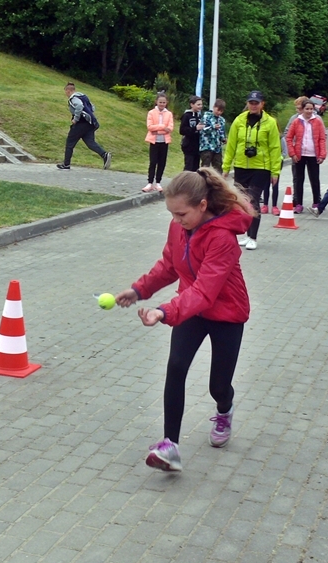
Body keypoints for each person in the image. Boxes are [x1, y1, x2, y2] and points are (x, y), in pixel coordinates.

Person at [115, 168, 254, 471]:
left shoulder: (223, 238)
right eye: (172, 214)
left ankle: (225, 409)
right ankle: (170, 446)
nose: (176, 220)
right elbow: (169, 265)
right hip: (191, 310)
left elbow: (205, 291)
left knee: (218, 386)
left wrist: (164, 311)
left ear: (202, 205)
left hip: (227, 314)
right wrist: (139, 290)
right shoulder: (178, 227)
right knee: (176, 367)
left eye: (181, 214)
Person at [222, 90, 282, 250]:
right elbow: (231, 145)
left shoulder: (270, 122)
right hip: (241, 166)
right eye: (251, 103)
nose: (253, 106)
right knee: (242, 201)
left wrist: (275, 171)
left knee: (253, 200)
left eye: (256, 103)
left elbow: (275, 148)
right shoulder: (239, 120)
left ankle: (253, 237)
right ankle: (247, 234)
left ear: (262, 104)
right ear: (247, 103)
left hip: (261, 167)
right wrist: (226, 167)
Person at [285, 99, 327, 214]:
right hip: (300, 155)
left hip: (313, 154)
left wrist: (322, 155)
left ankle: (316, 203)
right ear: (302, 109)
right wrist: (292, 153)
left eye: (311, 109)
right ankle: (298, 204)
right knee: (299, 180)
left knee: (314, 179)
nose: (309, 111)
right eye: (307, 109)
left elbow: (322, 138)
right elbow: (289, 137)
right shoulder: (296, 121)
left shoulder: (317, 121)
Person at [58, 82, 111, 171]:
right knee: (90, 142)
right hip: (90, 123)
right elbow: (92, 107)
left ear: (68, 90)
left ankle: (66, 164)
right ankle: (105, 155)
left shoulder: (73, 98)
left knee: (70, 142)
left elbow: (79, 106)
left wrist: (75, 119)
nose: (65, 94)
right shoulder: (83, 96)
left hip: (81, 123)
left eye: (65, 91)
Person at [143, 93, 174, 192]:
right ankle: (150, 182)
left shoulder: (169, 114)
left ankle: (158, 182)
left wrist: (158, 130)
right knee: (153, 162)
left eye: (164, 102)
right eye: (160, 102)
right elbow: (150, 127)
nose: (162, 104)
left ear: (166, 103)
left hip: (164, 141)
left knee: (162, 162)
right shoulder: (151, 113)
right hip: (154, 141)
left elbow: (170, 128)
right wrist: (163, 127)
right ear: (156, 102)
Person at [199, 99, 227, 172]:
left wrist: (223, 139)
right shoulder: (206, 116)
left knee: (218, 166)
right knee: (205, 166)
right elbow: (202, 129)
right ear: (214, 107)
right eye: (218, 110)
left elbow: (222, 132)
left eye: (221, 111)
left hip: (217, 147)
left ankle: (218, 178)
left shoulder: (222, 120)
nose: (219, 112)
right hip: (207, 145)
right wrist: (213, 127)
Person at [179, 96, 204, 172]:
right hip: (188, 145)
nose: (200, 106)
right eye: (198, 104)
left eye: (201, 104)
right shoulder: (186, 115)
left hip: (197, 146)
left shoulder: (200, 116)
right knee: (188, 166)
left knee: (196, 168)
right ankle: (185, 179)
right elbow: (182, 130)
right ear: (192, 105)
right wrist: (195, 128)